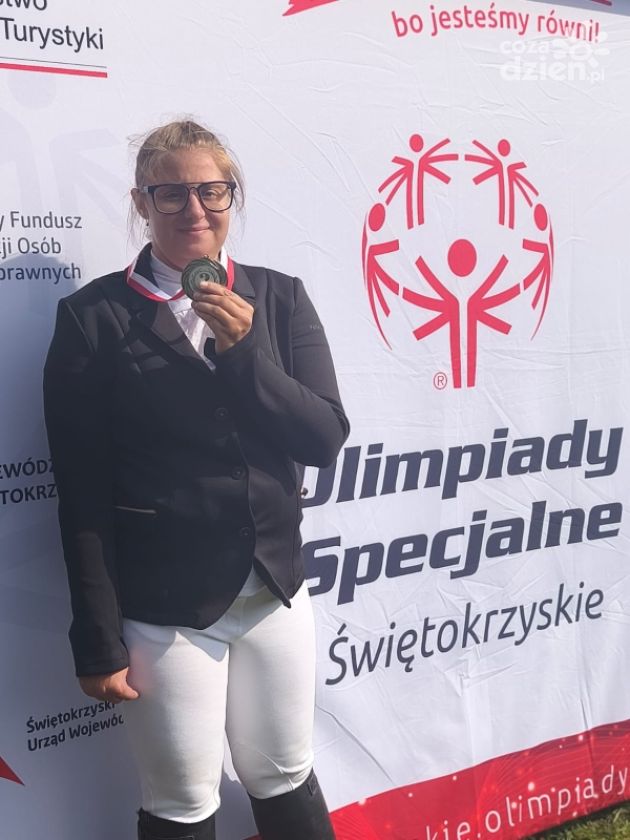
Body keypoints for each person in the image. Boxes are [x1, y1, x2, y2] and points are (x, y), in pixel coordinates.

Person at [43, 119, 349, 840]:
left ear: (231, 196)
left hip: (274, 591)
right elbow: (81, 493)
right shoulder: (92, 317)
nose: (195, 209)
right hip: (165, 609)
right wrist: (98, 637)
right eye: (171, 193)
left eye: (212, 191)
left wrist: (244, 353)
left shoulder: (279, 297)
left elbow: (322, 438)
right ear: (141, 203)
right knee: (181, 800)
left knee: (286, 774)